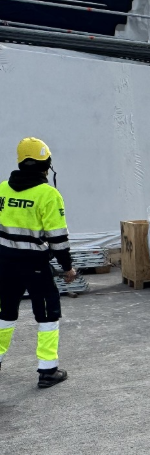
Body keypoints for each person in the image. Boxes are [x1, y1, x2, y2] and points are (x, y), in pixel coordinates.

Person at [0, 137, 74, 388]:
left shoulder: (2, 189)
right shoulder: (48, 195)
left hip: (5, 264)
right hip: (35, 266)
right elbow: (58, 239)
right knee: (47, 316)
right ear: (47, 164)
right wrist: (68, 267)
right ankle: (47, 371)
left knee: (4, 314)